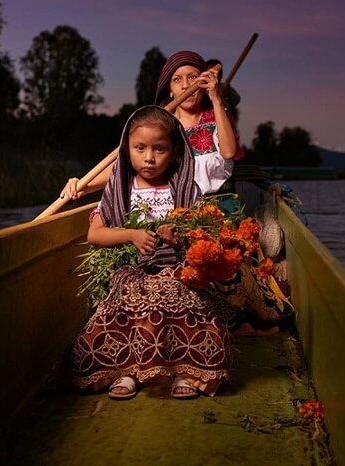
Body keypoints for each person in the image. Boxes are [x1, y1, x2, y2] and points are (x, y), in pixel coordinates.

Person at [67, 105, 235, 400]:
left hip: (174, 268)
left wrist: (176, 238)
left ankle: (186, 371)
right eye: (140, 148)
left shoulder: (183, 189)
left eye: (159, 149)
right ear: (127, 149)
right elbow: (95, 234)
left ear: (174, 153)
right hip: (132, 269)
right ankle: (128, 370)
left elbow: (196, 237)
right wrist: (131, 235)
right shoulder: (120, 189)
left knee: (176, 291)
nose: (148, 157)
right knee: (132, 293)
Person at [60, 50, 243, 200]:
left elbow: (228, 152)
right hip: (180, 206)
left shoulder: (217, 115)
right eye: (177, 80)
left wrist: (216, 99)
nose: (186, 86)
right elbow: (128, 161)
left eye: (193, 77)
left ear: (202, 85)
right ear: (170, 90)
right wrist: (85, 185)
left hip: (222, 202)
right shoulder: (163, 125)